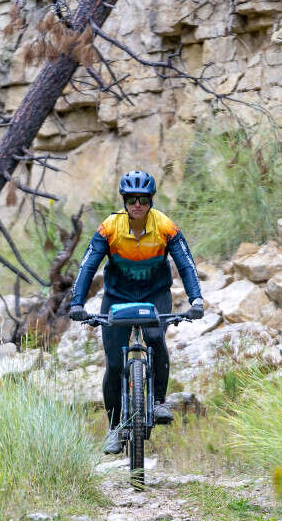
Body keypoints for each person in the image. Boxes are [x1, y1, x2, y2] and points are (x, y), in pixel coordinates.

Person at [68, 170, 204, 454]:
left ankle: (157, 402)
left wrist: (196, 300)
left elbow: (186, 264)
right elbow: (88, 266)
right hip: (117, 297)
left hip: (156, 295)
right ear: (125, 201)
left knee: (155, 337)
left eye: (143, 199)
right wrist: (77, 303)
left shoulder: (165, 226)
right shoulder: (110, 228)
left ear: (150, 201)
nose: (137, 204)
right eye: (132, 199)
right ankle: (115, 428)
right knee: (115, 364)